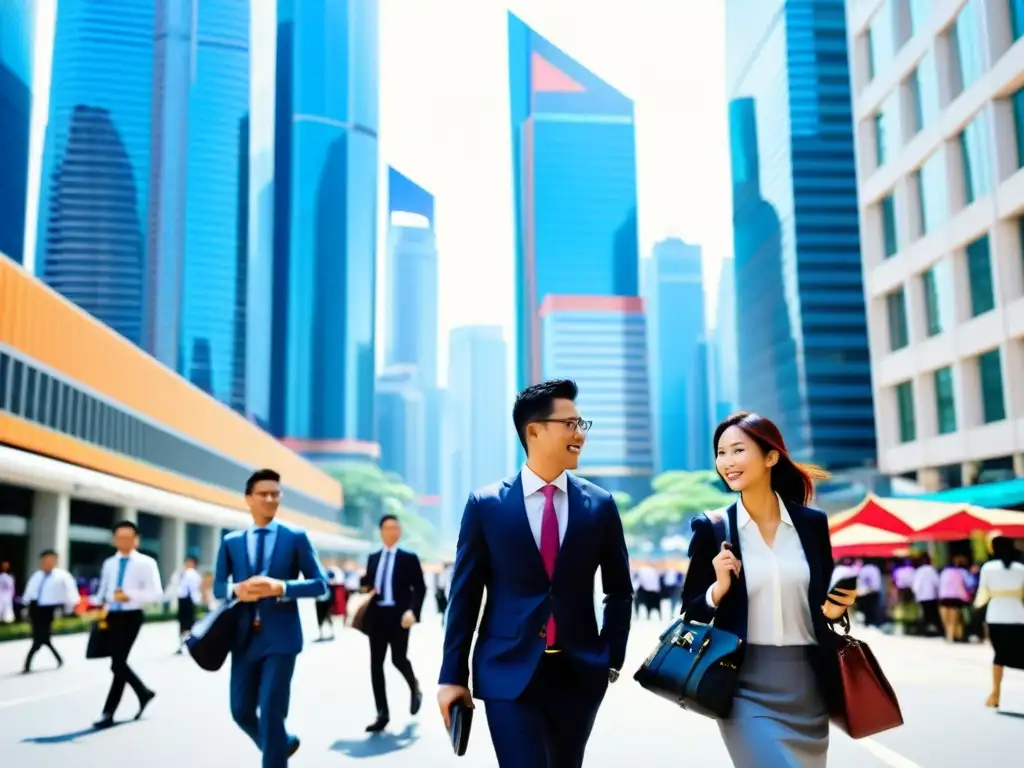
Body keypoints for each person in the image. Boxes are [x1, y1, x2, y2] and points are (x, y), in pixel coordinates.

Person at [437, 379, 633, 768]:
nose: (580, 435)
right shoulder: (486, 504)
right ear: (534, 431)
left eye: (582, 425)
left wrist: (611, 657)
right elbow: (465, 595)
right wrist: (451, 675)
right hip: (506, 672)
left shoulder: (600, 505)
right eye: (570, 424)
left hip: (578, 674)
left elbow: (619, 590)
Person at [680, 411, 855, 768]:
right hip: (742, 684)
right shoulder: (714, 528)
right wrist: (719, 587)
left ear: (771, 456)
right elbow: (691, 611)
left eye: (737, 450)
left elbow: (819, 603)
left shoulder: (811, 524)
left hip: (808, 684)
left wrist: (836, 610)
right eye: (721, 452)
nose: (727, 462)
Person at [214, 468, 329, 767]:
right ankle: (281, 744)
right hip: (242, 638)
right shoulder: (231, 542)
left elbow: (320, 584)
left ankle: (275, 753)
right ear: (248, 499)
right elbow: (217, 587)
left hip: (282, 638)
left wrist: (282, 587)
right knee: (240, 710)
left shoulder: (295, 537)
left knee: (272, 709)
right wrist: (236, 589)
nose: (269, 499)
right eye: (262, 494)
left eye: (275, 494)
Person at [93, 521, 163, 729]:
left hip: (132, 616)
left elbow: (155, 594)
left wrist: (129, 596)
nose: (124, 541)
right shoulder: (109, 563)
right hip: (112, 616)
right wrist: (100, 604)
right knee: (118, 664)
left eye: (128, 537)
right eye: (120, 537)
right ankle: (143, 694)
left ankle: (109, 712)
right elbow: (104, 591)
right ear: (114, 539)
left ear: (136, 539)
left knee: (117, 663)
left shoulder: (146, 563)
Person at [360, 514, 426, 732]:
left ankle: (414, 687)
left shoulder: (409, 558)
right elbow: (368, 582)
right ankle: (382, 714)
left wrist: (412, 612)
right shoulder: (373, 558)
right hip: (377, 616)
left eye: (396, 528)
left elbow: (420, 588)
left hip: (399, 617)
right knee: (375, 665)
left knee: (398, 659)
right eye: (388, 528)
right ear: (381, 531)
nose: (392, 532)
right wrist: (365, 588)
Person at [974, 536, 1024, 709]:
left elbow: (983, 592)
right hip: (1018, 615)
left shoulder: (988, 568)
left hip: (995, 615)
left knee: (999, 655)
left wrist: (977, 606)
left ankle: (995, 694)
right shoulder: (1020, 568)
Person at [22, 549, 79, 673]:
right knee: (43, 637)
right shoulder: (37, 575)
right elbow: (29, 592)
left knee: (40, 637)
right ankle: (58, 659)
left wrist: (71, 607)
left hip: (48, 609)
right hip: (35, 608)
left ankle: (27, 664)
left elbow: (71, 592)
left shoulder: (62, 576)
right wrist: (25, 605)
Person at [168, 555, 202, 654]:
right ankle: (182, 645)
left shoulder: (192, 574)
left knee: (189, 624)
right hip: (182, 600)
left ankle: (191, 645)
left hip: (189, 601)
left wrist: (196, 602)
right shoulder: (181, 573)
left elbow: (194, 590)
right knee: (183, 624)